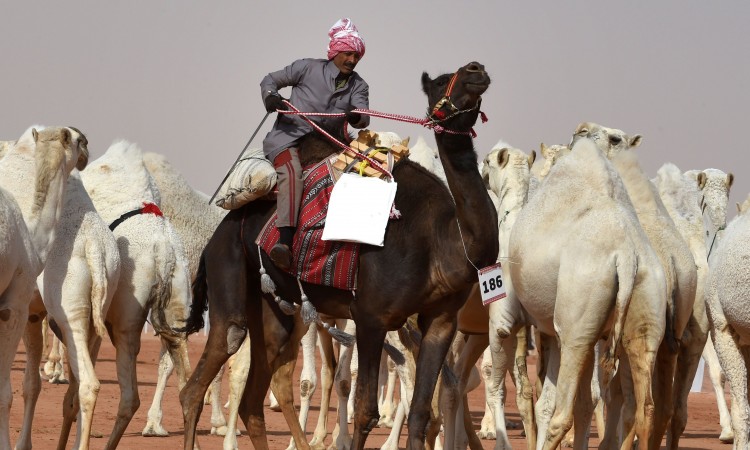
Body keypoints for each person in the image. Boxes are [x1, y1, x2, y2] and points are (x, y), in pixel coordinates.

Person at [260, 18, 370, 270]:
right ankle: (285, 242)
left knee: (366, 176)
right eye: (347, 53)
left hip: (329, 147)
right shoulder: (306, 68)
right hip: (288, 140)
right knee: (292, 173)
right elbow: (270, 79)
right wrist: (271, 97)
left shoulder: (359, 85)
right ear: (335, 52)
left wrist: (357, 116)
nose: (352, 60)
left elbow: (363, 115)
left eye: (356, 55)